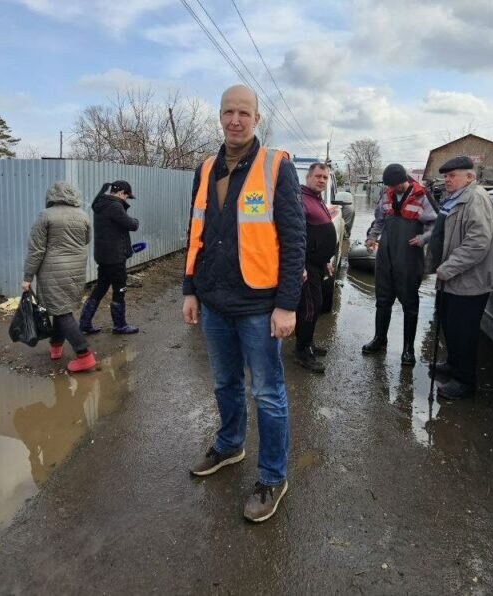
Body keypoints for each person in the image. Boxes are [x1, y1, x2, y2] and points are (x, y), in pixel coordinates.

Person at [182, 84, 305, 523]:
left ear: (256, 119)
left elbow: (294, 240)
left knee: (268, 394)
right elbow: (196, 232)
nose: (235, 120)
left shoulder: (276, 167)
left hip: (258, 305)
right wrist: (190, 289)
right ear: (220, 116)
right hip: (214, 302)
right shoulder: (206, 168)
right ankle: (230, 444)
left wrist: (286, 304)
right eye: (228, 112)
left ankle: (273, 476)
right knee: (224, 384)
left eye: (244, 113)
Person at [431, 156, 493, 399]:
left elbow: (477, 243)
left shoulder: (476, 198)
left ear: (469, 176)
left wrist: (448, 267)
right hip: (453, 279)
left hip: (470, 282)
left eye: (452, 175)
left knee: (464, 332)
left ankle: (464, 382)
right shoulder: (454, 199)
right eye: (445, 176)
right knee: (450, 326)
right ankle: (453, 365)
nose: (446, 180)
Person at [362, 163, 436, 365]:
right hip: (385, 255)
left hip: (409, 256)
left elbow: (435, 225)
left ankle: (408, 349)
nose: (392, 190)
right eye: (390, 187)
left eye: (395, 186)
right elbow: (379, 221)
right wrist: (372, 237)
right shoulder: (386, 196)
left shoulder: (422, 196)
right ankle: (379, 339)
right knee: (383, 300)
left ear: (404, 180)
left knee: (410, 304)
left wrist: (423, 239)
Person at [22, 181, 96, 373]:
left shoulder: (45, 215)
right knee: (61, 307)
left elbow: (36, 249)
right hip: (76, 267)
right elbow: (87, 239)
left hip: (53, 269)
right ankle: (56, 345)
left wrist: (27, 276)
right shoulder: (83, 215)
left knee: (62, 312)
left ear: (51, 196)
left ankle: (84, 354)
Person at [79, 180, 140, 335]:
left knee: (100, 288)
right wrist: (135, 220)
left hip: (104, 255)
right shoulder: (114, 206)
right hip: (115, 257)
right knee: (120, 289)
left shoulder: (101, 205)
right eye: (126, 196)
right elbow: (132, 225)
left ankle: (85, 323)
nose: (126, 199)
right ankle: (120, 325)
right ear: (121, 193)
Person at [294, 162, 337, 373]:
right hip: (306, 265)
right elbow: (296, 236)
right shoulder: (300, 199)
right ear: (308, 177)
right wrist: (299, 265)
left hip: (318, 264)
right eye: (318, 176)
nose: (321, 180)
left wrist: (326, 260)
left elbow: (320, 235)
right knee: (311, 307)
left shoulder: (317, 200)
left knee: (314, 305)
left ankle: (307, 343)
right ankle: (302, 352)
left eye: (325, 177)